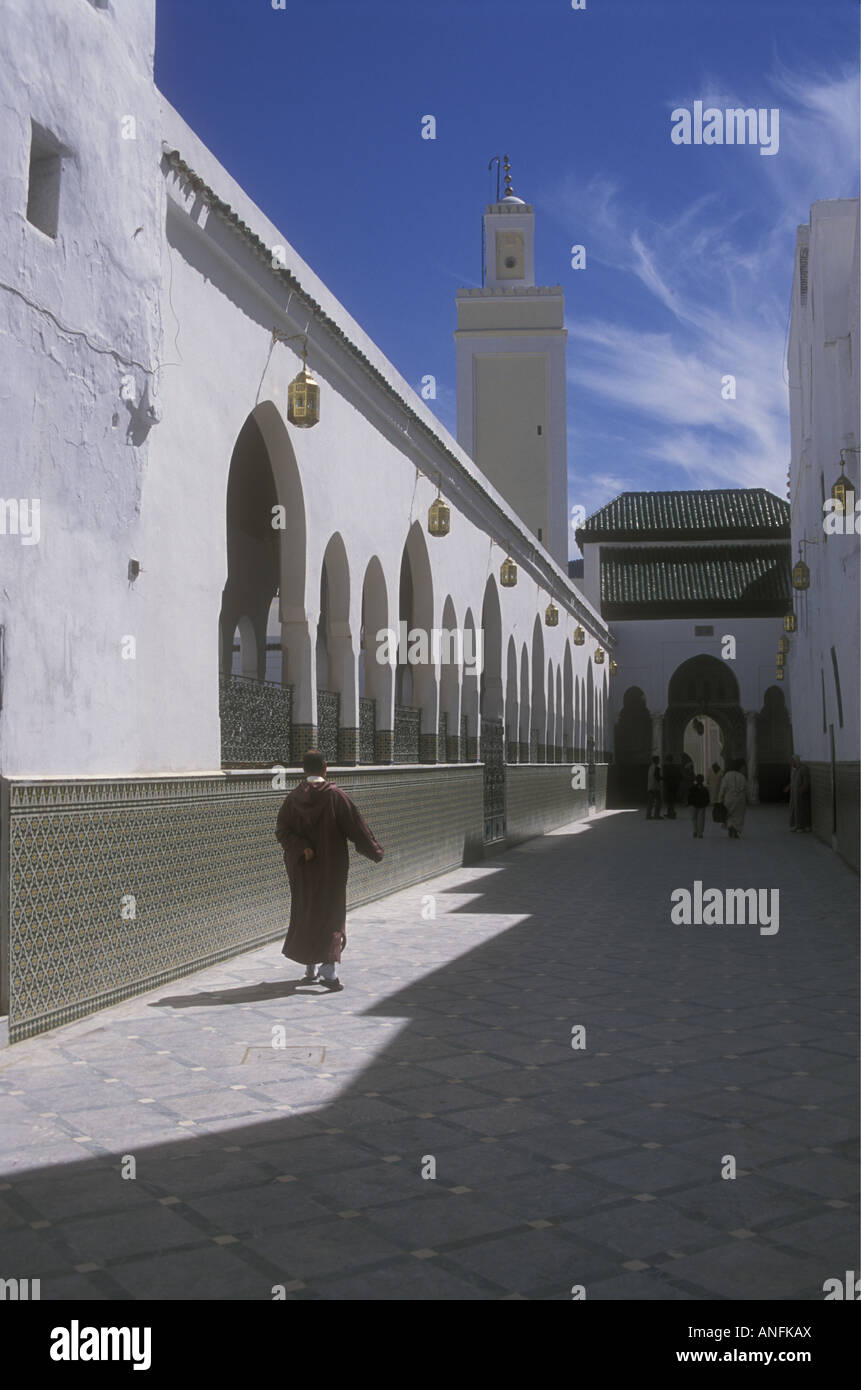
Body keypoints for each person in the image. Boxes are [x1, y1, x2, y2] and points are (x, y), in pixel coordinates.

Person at [276, 749, 383, 991]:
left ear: (304, 770)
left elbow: (282, 831)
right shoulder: (336, 797)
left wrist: (302, 848)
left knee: (307, 911)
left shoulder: (292, 798)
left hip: (303, 870)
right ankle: (329, 970)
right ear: (325, 768)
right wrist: (375, 852)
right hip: (331, 869)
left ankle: (310, 966)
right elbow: (357, 827)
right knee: (332, 914)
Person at [718, 759, 748, 840]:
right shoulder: (742, 777)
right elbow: (746, 789)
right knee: (738, 816)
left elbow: (723, 788)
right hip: (740, 800)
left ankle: (731, 829)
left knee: (729, 815)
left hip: (729, 798)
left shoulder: (727, 775)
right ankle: (734, 831)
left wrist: (720, 799)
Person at [786, 755, 812, 832]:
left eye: (793, 762)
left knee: (802, 810)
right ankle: (797, 825)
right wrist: (789, 787)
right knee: (796, 810)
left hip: (801, 795)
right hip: (795, 794)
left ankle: (803, 826)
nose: (792, 764)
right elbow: (793, 781)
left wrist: (801, 790)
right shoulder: (795, 769)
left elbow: (806, 782)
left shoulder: (803, 769)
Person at [688, 773, 710, 839]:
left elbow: (689, 797)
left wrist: (690, 803)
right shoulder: (705, 789)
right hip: (702, 805)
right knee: (701, 819)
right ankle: (700, 833)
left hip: (694, 805)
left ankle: (695, 831)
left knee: (694, 819)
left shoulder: (692, 788)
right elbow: (707, 798)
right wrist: (706, 803)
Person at [662, 754, 681, 819]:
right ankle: (671, 813)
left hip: (669, 786)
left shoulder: (667, 768)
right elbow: (678, 776)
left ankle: (670, 813)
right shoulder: (675, 767)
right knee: (672, 801)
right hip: (675, 786)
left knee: (669, 801)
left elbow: (666, 777)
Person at [646, 755, 662, 819]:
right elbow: (657, 777)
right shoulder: (657, 768)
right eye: (658, 760)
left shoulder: (650, 767)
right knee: (659, 801)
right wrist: (662, 778)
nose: (659, 761)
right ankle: (656, 815)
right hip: (655, 787)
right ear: (656, 760)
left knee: (650, 802)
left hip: (650, 786)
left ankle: (648, 815)